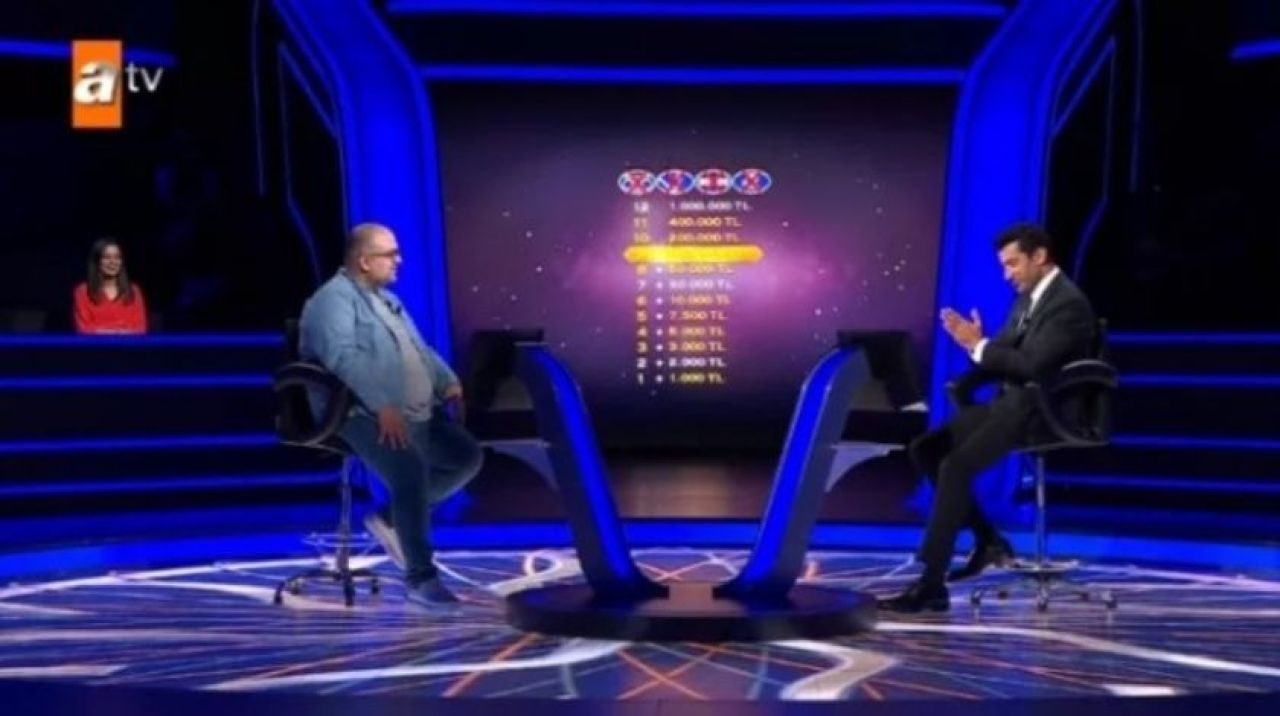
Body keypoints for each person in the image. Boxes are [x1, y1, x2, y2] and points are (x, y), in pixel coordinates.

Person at [880, 223, 1096, 613]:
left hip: (1042, 411)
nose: (1007, 274)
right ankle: (988, 540)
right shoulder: (1028, 299)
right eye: (1003, 266)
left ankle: (931, 585)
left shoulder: (1068, 305)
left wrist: (978, 345)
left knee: (955, 466)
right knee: (926, 449)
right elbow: (1005, 353)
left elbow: (1032, 366)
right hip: (1012, 404)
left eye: (1013, 264)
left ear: (1039, 256)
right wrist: (977, 344)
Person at [299, 222, 483, 610]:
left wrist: (447, 381)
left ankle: (391, 519)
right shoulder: (331, 301)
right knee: (409, 473)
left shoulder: (386, 300)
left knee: (466, 456)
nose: (398, 260)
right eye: (390, 254)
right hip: (355, 411)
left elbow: (418, 349)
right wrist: (382, 405)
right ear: (365, 261)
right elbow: (343, 359)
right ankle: (421, 579)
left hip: (412, 410)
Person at [73, 239, 148, 334]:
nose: (112, 262)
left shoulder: (134, 291)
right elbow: (84, 329)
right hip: (95, 344)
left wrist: (109, 332)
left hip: (127, 343)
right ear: (97, 261)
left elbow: (140, 328)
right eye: (107, 257)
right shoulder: (82, 291)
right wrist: (115, 332)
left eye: (117, 257)